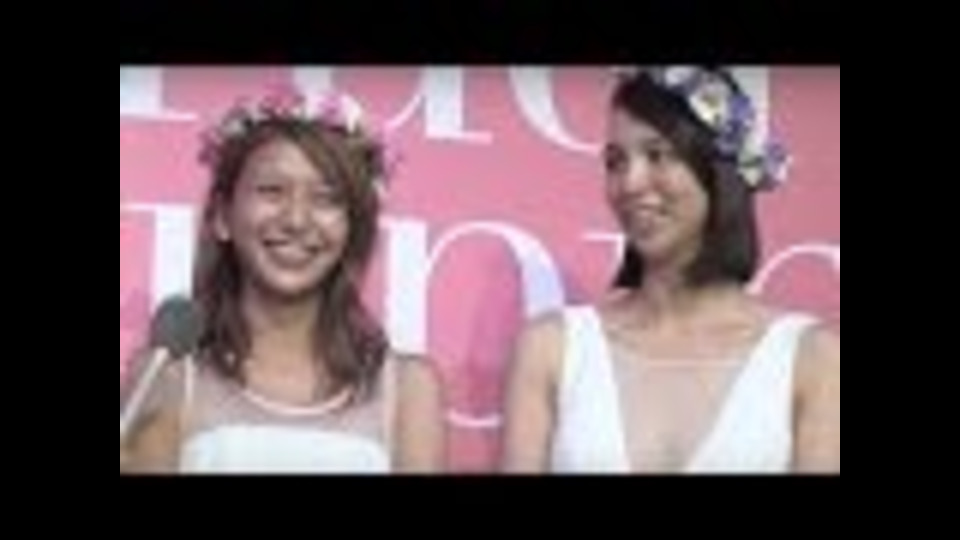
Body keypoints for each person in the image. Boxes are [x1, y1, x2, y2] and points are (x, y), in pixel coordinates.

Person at [500, 66, 840, 473]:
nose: (630, 183)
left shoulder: (813, 359)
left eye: (657, 155)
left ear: (718, 172)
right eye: (615, 162)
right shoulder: (553, 347)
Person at [120, 88, 445, 474]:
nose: (296, 220)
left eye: (326, 198)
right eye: (272, 191)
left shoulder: (407, 388)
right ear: (222, 216)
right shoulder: (166, 376)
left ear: (353, 227)